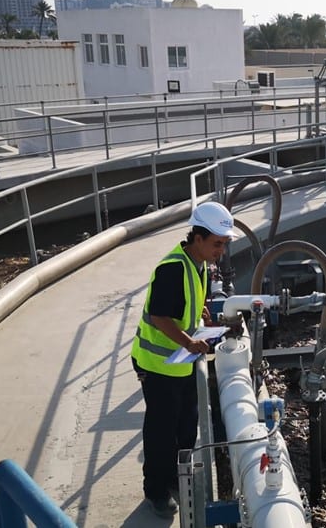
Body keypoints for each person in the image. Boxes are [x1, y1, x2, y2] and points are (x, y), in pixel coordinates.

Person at [131, 201, 237, 518]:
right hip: (157, 365)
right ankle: (156, 491)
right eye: (217, 244)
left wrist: (201, 311)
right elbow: (159, 316)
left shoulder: (198, 263)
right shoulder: (172, 268)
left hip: (179, 363)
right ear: (198, 238)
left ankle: (177, 479)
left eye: (224, 244)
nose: (221, 250)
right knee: (161, 431)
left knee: (187, 423)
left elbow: (188, 299)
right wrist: (190, 342)